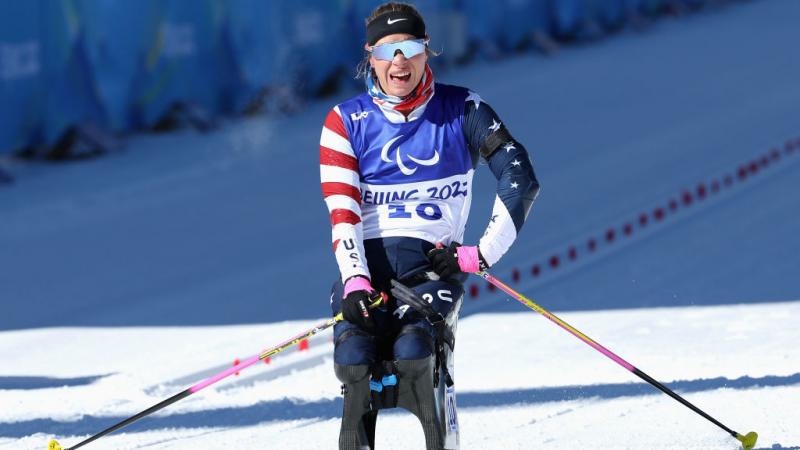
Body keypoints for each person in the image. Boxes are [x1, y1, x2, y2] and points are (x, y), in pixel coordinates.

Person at [319, 3, 539, 449]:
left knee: (414, 351)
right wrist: (357, 280)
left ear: (427, 52)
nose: (400, 61)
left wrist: (480, 254)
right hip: (365, 269)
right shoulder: (344, 121)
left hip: (431, 268)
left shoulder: (464, 108)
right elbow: (342, 212)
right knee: (354, 358)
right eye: (389, 49)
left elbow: (520, 176)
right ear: (371, 56)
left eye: (412, 47)